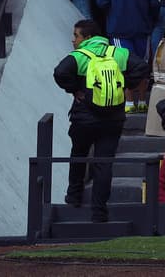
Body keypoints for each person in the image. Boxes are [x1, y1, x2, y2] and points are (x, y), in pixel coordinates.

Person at [53, 20, 151, 222]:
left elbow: (60, 72)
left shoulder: (80, 56)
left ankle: (74, 198)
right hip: (113, 119)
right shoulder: (117, 53)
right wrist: (125, 85)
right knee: (104, 163)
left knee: (79, 154)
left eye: (76, 36)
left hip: (84, 118)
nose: (74, 40)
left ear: (87, 38)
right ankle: (99, 211)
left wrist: (76, 90)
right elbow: (141, 67)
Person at [94, 0, 160, 112]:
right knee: (143, 65)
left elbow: (101, 2)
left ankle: (129, 103)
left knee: (124, 65)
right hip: (142, 30)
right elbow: (156, 4)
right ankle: (143, 101)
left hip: (118, 31)